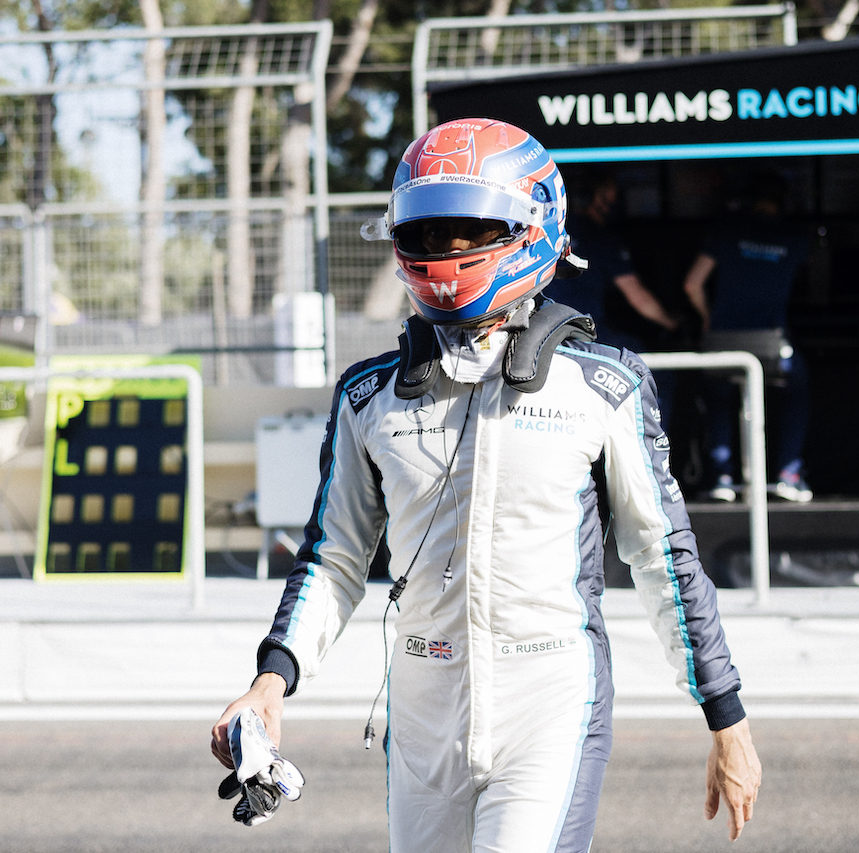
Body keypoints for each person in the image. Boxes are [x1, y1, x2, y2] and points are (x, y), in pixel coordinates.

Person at [210, 119, 761, 852]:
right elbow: (332, 558)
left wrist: (727, 717)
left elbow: (664, 558)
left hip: (550, 700)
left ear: (533, 227)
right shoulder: (367, 397)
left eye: (468, 230)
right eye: (428, 233)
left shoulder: (606, 385)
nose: (445, 253)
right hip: (419, 713)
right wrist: (269, 682)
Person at [683, 173, 813, 503]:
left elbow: (691, 285)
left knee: (718, 395)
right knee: (798, 388)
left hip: (722, 343)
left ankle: (722, 478)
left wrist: (708, 318)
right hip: (771, 345)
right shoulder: (795, 237)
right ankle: (787, 473)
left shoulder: (727, 231)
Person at [542, 169, 679, 350]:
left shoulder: (548, 234)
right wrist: (672, 324)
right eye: (608, 198)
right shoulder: (602, 239)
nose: (613, 203)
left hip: (543, 334)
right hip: (584, 334)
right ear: (591, 198)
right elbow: (637, 296)